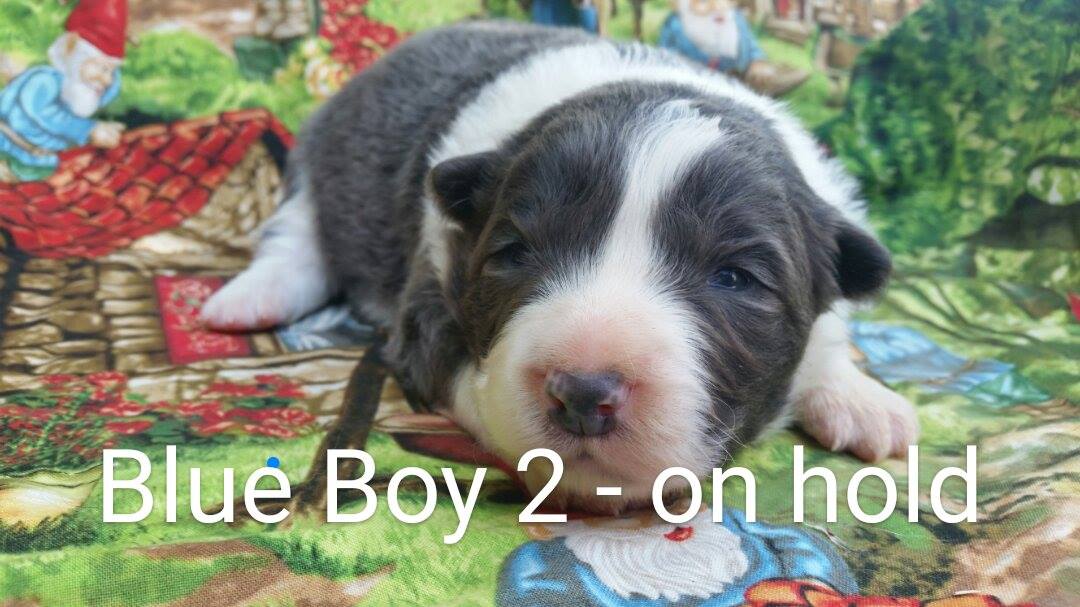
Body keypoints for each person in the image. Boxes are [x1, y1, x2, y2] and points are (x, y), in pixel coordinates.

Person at [0, 0, 127, 182]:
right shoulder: (46, 81)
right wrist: (88, 129)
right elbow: (43, 112)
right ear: (72, 52)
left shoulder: (85, 92)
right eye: (102, 68)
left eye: (112, 72)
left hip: (38, 156)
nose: (107, 80)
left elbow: (104, 92)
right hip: (9, 142)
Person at [660, 0, 809, 97]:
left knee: (768, 79)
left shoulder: (735, 19)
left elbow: (751, 46)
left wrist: (757, 62)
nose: (716, 6)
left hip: (738, 75)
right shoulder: (676, 25)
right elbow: (666, 55)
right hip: (697, 80)